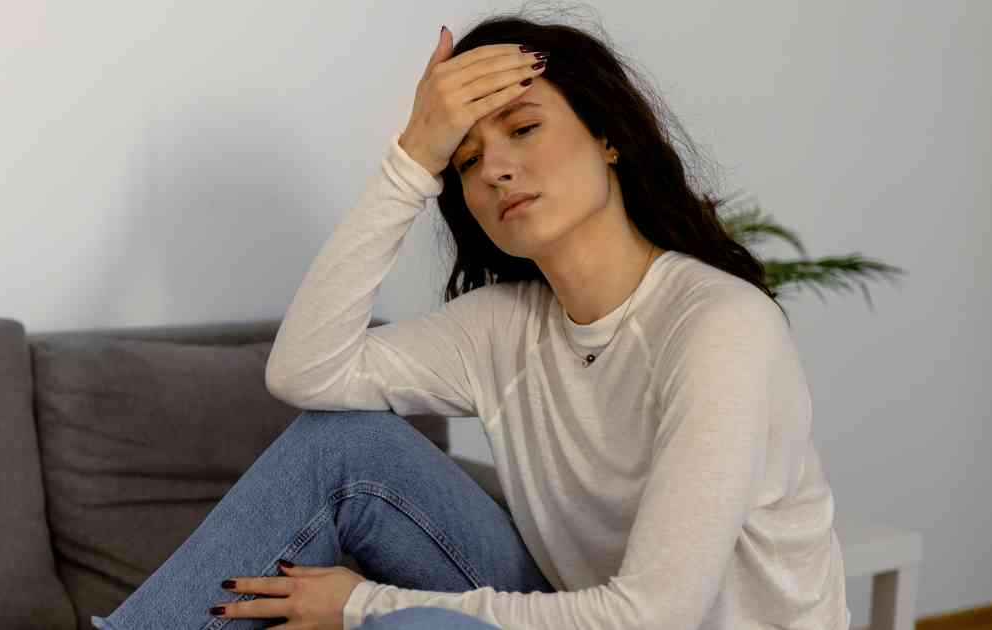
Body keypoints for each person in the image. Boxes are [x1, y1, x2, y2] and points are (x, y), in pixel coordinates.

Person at [92, 12, 849, 630]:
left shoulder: (719, 326)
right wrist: (413, 154)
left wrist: (363, 604)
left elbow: (652, 615)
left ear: (607, 136)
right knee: (342, 444)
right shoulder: (504, 326)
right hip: (582, 615)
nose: (493, 169)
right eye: (465, 159)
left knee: (414, 629)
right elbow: (305, 373)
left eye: (523, 129)